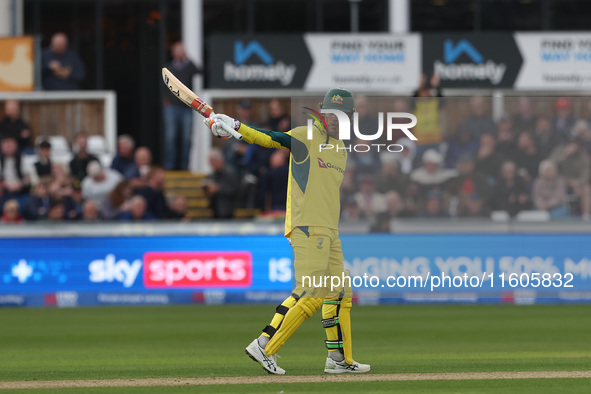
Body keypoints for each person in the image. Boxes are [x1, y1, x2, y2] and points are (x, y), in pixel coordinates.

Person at [205, 88, 370, 375]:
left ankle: (338, 359)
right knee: (310, 291)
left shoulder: (341, 148)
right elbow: (271, 138)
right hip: (307, 226)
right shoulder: (306, 136)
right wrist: (235, 128)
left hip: (330, 229)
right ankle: (264, 345)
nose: (334, 119)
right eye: (330, 113)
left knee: (340, 292)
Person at [161, 42, 202, 170]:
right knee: (170, 137)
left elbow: (199, 71)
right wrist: (165, 100)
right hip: (171, 107)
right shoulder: (168, 68)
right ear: (173, 53)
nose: (180, 53)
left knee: (187, 138)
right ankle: (170, 165)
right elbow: (162, 85)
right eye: (178, 51)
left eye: (182, 51)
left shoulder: (189, 66)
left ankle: (185, 165)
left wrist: (188, 58)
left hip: (186, 107)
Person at [204, 148, 239, 219]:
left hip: (227, 210)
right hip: (216, 209)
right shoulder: (214, 174)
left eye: (212, 162)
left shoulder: (230, 172)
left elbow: (235, 189)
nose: (211, 165)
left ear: (218, 160)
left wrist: (217, 189)